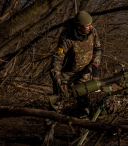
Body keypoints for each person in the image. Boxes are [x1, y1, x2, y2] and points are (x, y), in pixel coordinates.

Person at [43, 11, 102, 145]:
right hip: (66, 74)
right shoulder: (66, 37)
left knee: (84, 103)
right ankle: (48, 131)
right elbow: (57, 59)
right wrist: (57, 79)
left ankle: (81, 133)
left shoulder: (93, 32)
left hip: (85, 72)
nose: (91, 27)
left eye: (91, 24)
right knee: (56, 102)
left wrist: (94, 65)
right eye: (87, 25)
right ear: (79, 27)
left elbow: (98, 49)